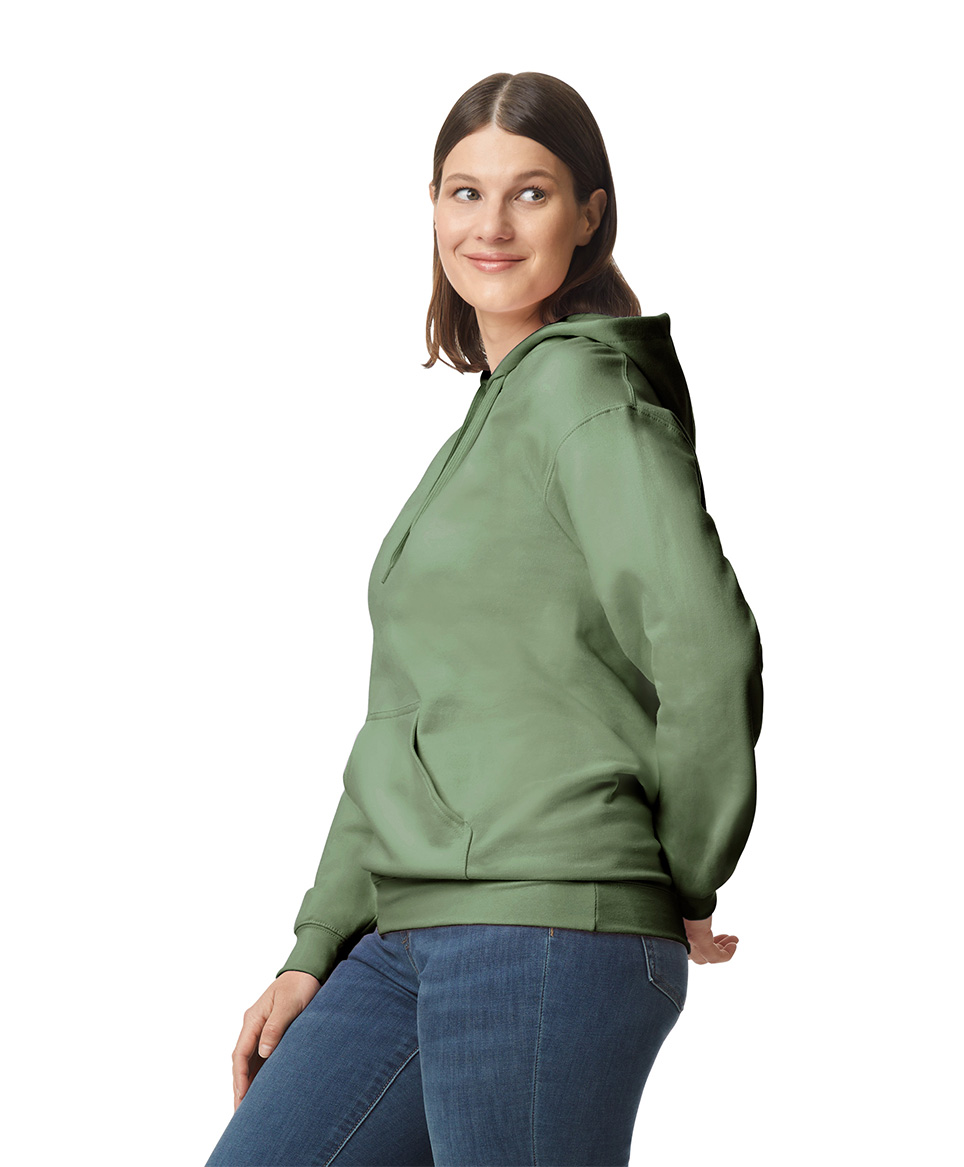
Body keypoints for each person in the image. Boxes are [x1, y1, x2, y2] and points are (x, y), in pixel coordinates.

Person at [204, 70, 764, 1167]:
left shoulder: (583, 395)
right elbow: (408, 718)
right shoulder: (492, 425)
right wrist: (316, 943)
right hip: (408, 930)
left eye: (530, 193)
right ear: (432, 205)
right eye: (466, 192)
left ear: (589, 214)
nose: (491, 226)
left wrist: (685, 868)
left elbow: (703, 639)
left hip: (543, 928)